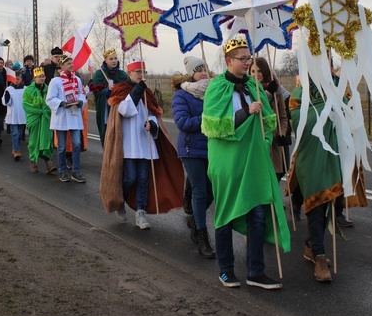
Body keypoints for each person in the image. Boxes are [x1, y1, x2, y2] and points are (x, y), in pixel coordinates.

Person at [201, 37, 290, 289]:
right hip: (227, 160)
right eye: (243, 59)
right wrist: (245, 112)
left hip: (253, 159)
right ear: (229, 61)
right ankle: (226, 270)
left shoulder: (254, 85)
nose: (248, 62)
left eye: (249, 58)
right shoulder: (216, 87)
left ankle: (256, 271)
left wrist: (265, 123)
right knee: (226, 214)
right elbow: (211, 125)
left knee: (258, 213)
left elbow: (269, 121)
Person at [100, 58, 184, 230]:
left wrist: (152, 124)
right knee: (130, 177)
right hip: (129, 144)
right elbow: (125, 111)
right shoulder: (121, 89)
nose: (141, 75)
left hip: (145, 143)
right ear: (130, 73)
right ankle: (119, 200)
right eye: (138, 72)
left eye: (143, 72)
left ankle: (141, 212)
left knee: (144, 178)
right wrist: (137, 91)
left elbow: (152, 113)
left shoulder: (147, 92)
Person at [288, 77, 342, 283]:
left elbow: (350, 112)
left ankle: (312, 245)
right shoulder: (299, 93)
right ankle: (319, 256)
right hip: (310, 156)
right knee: (316, 205)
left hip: (333, 155)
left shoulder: (336, 86)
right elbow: (303, 121)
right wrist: (327, 106)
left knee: (330, 203)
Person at [172, 56, 214, 257]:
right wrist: (208, 119)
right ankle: (202, 236)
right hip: (191, 149)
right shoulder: (182, 95)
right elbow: (182, 122)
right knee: (200, 191)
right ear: (191, 73)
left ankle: (195, 221)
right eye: (198, 70)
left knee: (212, 190)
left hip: (213, 148)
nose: (203, 73)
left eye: (205, 68)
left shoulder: (214, 91)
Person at [46, 54, 86, 183]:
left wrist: (81, 101)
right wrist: (61, 103)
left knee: (77, 144)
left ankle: (76, 171)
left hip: (74, 115)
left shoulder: (77, 80)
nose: (71, 65)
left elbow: (81, 94)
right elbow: (50, 99)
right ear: (61, 66)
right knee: (62, 146)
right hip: (62, 116)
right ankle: (63, 171)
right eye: (68, 63)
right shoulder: (55, 81)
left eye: (72, 63)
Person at [249, 58, 290, 182]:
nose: (256, 74)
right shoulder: (248, 90)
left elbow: (283, 116)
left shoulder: (277, 92)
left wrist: (282, 133)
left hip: (276, 140)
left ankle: (273, 200)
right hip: (259, 140)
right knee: (262, 178)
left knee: (279, 172)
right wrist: (268, 93)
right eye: (252, 71)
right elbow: (258, 106)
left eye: (259, 71)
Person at [91, 48, 128, 146]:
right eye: (111, 59)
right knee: (108, 138)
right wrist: (107, 90)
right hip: (106, 109)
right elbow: (97, 92)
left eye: (115, 58)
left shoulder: (123, 75)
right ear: (106, 60)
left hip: (120, 108)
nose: (114, 61)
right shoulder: (99, 74)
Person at [23, 67, 55, 174]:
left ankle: (48, 163)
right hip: (34, 119)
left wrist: (46, 111)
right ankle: (33, 162)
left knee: (47, 140)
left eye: (43, 76)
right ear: (34, 78)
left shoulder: (48, 89)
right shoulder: (28, 90)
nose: (42, 79)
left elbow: (51, 102)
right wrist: (40, 111)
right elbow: (26, 105)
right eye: (39, 77)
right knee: (34, 141)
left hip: (46, 119)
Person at [2, 71, 27, 163]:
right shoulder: (9, 89)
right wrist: (7, 97)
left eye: (18, 79)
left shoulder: (25, 89)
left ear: (21, 79)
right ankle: (16, 151)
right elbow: (6, 103)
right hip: (12, 115)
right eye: (15, 79)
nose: (16, 81)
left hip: (22, 115)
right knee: (15, 133)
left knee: (20, 134)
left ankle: (15, 148)